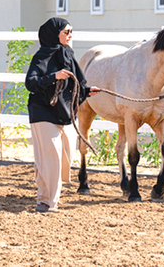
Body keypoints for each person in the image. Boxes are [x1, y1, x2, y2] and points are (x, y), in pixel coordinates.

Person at [25, 17, 99, 213]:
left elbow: (75, 86)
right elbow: (31, 83)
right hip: (42, 111)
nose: (70, 35)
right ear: (54, 34)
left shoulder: (68, 55)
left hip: (64, 112)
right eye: (66, 32)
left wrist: (87, 91)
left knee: (65, 155)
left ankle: (45, 197)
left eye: (71, 31)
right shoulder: (42, 56)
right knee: (51, 158)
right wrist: (53, 77)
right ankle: (48, 203)